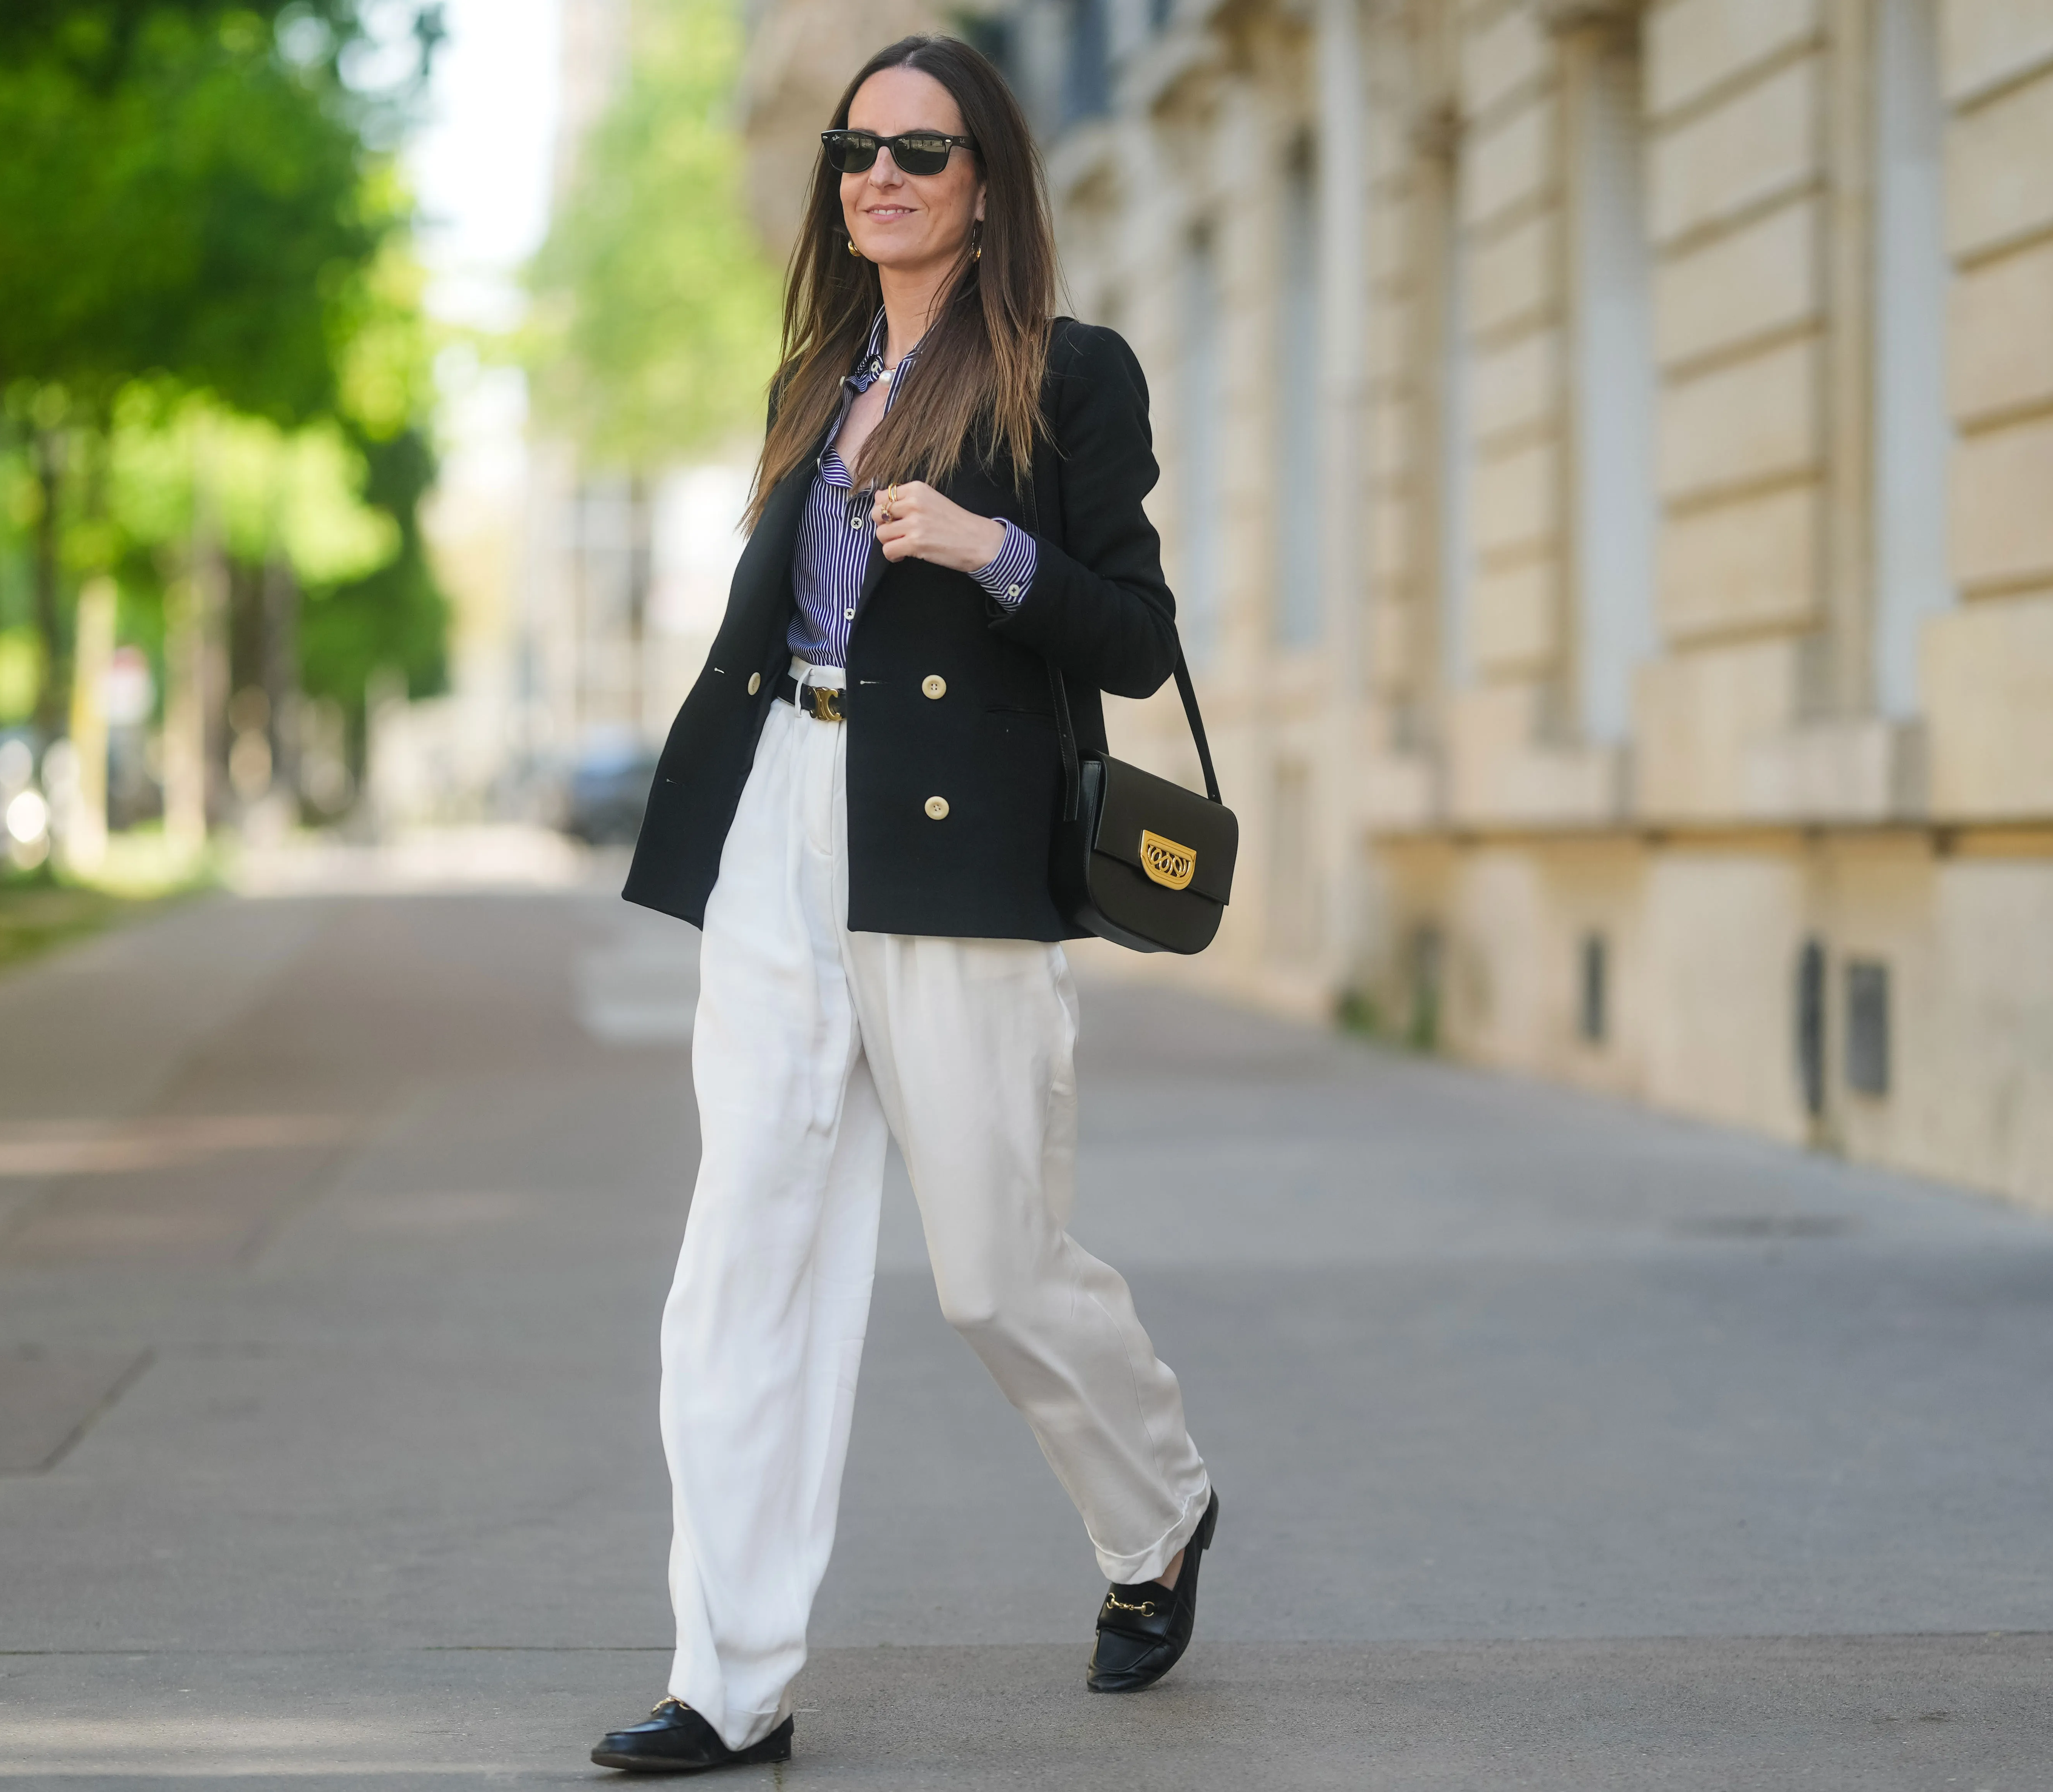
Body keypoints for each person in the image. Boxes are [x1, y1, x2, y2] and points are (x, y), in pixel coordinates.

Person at [591, 33, 1218, 1777]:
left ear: (987, 184)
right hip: (780, 810)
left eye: (920, 152)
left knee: (991, 1269)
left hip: (949, 846)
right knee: (745, 1257)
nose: (879, 174)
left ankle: (1156, 1508)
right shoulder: (814, 372)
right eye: (856, 148)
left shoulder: (1065, 374)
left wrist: (985, 548)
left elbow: (1138, 634)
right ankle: (731, 1678)